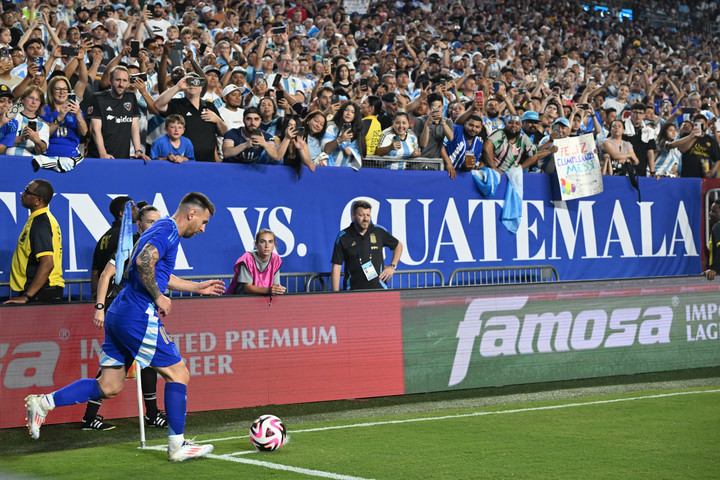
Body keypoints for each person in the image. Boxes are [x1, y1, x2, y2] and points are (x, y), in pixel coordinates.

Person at [24, 192, 225, 463]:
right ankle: (177, 446)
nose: (203, 228)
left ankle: (44, 403)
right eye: (204, 221)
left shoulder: (159, 230)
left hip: (119, 311)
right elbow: (143, 264)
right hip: (136, 314)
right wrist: (157, 296)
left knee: (109, 385)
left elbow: (150, 268)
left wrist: (195, 287)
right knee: (179, 374)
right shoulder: (167, 231)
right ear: (192, 214)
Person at [84, 205, 166, 431]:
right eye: (150, 221)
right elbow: (105, 276)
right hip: (121, 309)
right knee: (118, 363)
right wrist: (100, 307)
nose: (155, 226)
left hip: (139, 310)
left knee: (145, 359)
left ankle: (149, 414)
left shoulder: (156, 246)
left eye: (158, 222)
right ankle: (91, 417)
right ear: (139, 225)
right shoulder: (129, 246)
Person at [4, 179, 64, 305]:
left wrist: (27, 296)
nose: (23, 194)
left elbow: (47, 263)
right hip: (40, 293)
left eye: (27, 191)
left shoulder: (41, 223)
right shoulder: (38, 220)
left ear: (38, 201)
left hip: (40, 294)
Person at [331, 199, 403, 291]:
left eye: (368, 215)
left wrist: (393, 266)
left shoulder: (378, 231)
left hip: (379, 290)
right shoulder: (343, 237)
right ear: (353, 216)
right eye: (361, 215)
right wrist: (335, 296)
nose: (365, 219)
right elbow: (336, 267)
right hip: (353, 292)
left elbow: (398, 246)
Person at [154, 74, 228, 162]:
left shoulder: (210, 106)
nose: (192, 85)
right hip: (182, 161)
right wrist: (178, 86)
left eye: (196, 82)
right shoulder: (176, 104)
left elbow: (224, 133)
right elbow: (158, 105)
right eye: (189, 82)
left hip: (208, 162)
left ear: (201, 88)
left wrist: (217, 120)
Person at [87, 66, 150, 161]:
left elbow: (134, 127)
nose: (121, 84)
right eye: (118, 80)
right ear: (110, 81)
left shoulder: (131, 97)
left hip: (122, 158)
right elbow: (96, 129)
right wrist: (103, 153)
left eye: (125, 80)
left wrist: (138, 151)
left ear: (129, 82)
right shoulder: (98, 98)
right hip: (99, 157)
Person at [91, 196, 137, 299]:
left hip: (105, 296)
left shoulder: (104, 237)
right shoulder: (124, 238)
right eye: (133, 208)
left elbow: (95, 272)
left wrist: (97, 295)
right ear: (121, 213)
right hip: (119, 295)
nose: (136, 211)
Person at [225, 229, 286, 295]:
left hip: (263, 299)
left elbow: (275, 286)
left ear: (274, 245)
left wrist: (277, 290)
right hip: (241, 299)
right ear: (256, 244)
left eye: (270, 242)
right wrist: (268, 290)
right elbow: (247, 288)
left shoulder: (275, 259)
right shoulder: (247, 258)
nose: (267, 246)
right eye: (262, 242)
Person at [40, 75, 87, 158]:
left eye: (65, 89)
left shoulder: (75, 109)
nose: (62, 92)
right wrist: (60, 117)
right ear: (51, 91)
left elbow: (83, 132)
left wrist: (78, 114)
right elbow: (44, 135)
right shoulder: (44, 110)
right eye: (58, 89)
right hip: (48, 153)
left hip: (72, 153)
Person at [0, 85, 49, 156]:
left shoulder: (43, 125)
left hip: (28, 161)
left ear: (40, 103)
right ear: (23, 99)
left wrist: (36, 140)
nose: (34, 102)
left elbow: (42, 149)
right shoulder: (10, 117)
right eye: (31, 98)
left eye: (37, 100)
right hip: (7, 158)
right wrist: (20, 139)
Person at [321, 101, 364, 169]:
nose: (348, 113)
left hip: (346, 171)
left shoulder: (357, 132)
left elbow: (360, 150)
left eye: (352, 112)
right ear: (341, 111)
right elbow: (326, 149)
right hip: (328, 168)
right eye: (346, 110)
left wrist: (352, 151)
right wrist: (340, 139)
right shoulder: (331, 127)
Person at [440, 113, 486, 178]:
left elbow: (466, 168)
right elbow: (441, 146)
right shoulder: (455, 129)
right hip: (441, 171)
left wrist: (468, 167)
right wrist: (449, 164)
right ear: (465, 124)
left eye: (477, 127)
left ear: (481, 128)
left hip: (458, 176)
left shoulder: (478, 144)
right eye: (471, 125)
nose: (473, 129)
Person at [414, 92, 454, 159]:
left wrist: (442, 122)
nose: (437, 110)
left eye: (439, 107)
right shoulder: (420, 120)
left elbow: (451, 138)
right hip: (420, 160)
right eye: (434, 107)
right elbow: (423, 144)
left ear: (443, 106)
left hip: (436, 162)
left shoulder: (448, 121)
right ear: (429, 107)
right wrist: (427, 125)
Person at [622, 103, 656, 177]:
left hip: (641, 169)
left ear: (644, 115)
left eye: (640, 113)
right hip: (623, 168)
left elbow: (650, 152)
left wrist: (652, 172)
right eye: (635, 112)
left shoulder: (649, 131)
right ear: (631, 113)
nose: (638, 115)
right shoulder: (621, 127)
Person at [703, 199, 720, 281]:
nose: (710, 213)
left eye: (714, 211)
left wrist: (714, 269)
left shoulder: (718, 226)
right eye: (710, 210)